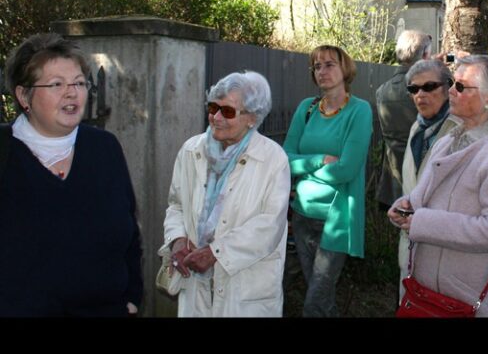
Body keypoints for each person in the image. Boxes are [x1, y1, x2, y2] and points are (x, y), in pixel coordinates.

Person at [0, 33, 142, 316]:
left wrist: (132, 298)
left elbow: (129, 236)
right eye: (56, 84)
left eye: (78, 83)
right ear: (24, 96)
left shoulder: (105, 147)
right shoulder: (5, 152)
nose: (72, 93)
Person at [388, 55, 488, 317]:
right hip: (427, 295)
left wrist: (423, 222)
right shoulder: (448, 140)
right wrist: (405, 206)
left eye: (461, 86)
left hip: (468, 300)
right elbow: (425, 196)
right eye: (453, 83)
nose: (451, 90)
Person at [161, 70, 290, 317]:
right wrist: (177, 239)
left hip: (245, 287)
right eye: (212, 108)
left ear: (252, 118)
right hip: (195, 284)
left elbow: (270, 225)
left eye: (228, 111)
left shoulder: (273, 159)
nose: (216, 117)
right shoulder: (191, 150)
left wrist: (215, 253)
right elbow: (176, 205)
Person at [283, 45, 372, 317]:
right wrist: (319, 160)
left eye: (329, 64)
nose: (322, 71)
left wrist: (302, 169)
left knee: (315, 302)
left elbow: (346, 170)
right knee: (320, 296)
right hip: (301, 215)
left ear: (345, 69)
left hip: (335, 219)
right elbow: (285, 158)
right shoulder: (307, 108)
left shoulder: (359, 110)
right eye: (317, 66)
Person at [396, 58, 460, 298]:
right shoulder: (417, 128)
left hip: (444, 249)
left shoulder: (459, 130)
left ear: (447, 87)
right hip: (411, 244)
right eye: (414, 89)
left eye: (429, 86)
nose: (420, 94)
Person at [375, 30, 432, 207]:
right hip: (421, 176)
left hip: (393, 176)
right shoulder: (426, 91)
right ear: (425, 55)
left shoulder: (382, 90)